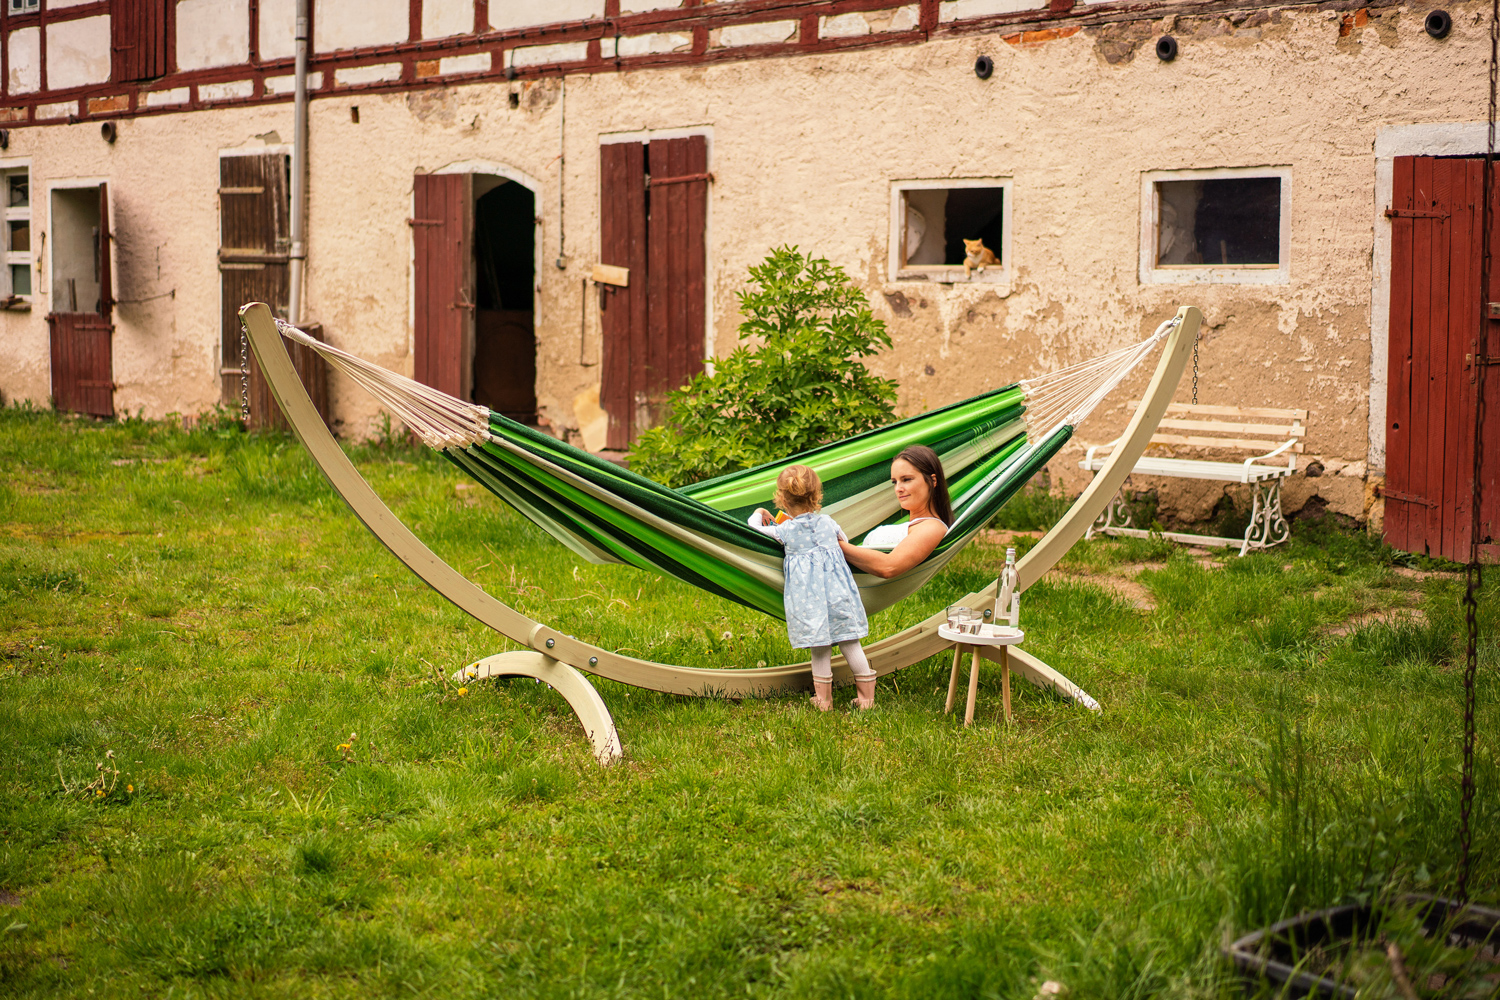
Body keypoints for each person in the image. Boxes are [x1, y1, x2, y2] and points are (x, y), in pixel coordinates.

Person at [750, 465, 878, 712]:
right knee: (850, 642)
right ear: (816, 496)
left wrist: (759, 512)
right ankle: (866, 700)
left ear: (782, 499)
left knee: (819, 648)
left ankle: (824, 701)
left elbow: (754, 528)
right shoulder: (829, 523)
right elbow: (845, 542)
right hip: (840, 595)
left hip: (810, 601)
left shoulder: (784, 531)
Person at [839, 445, 953, 579]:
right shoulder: (916, 527)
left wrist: (834, 544)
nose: (898, 488)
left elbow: (889, 567)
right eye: (894, 482)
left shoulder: (932, 527)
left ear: (932, 481)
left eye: (906, 479)